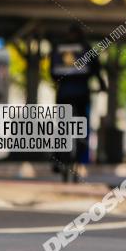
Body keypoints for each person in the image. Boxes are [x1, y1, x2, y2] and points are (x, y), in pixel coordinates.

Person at [49, 24, 106, 182]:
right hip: (81, 95)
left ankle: (57, 159)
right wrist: (102, 86)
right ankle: (81, 161)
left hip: (63, 95)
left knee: (61, 126)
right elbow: (96, 70)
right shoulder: (86, 48)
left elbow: (52, 73)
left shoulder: (59, 49)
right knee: (83, 128)